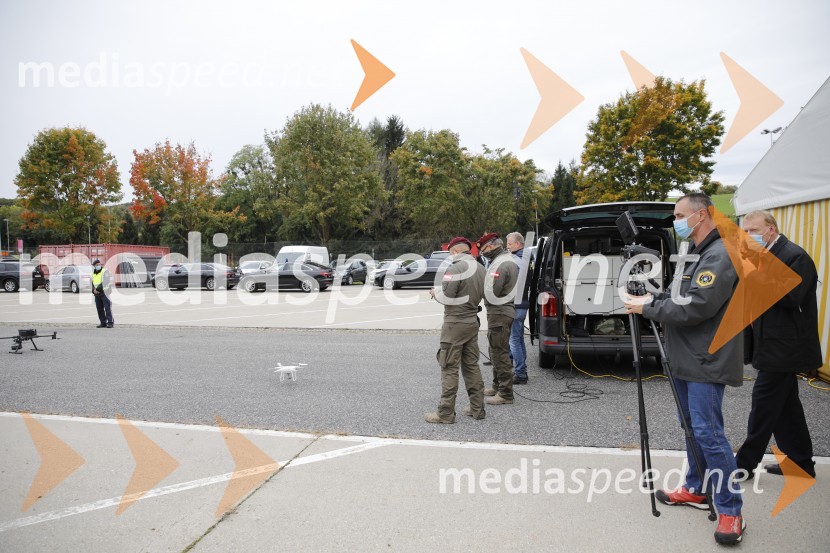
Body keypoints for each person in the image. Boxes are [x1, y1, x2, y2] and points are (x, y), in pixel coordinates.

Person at [624, 193, 745, 546]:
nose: (675, 221)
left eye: (679, 214)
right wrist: (653, 299)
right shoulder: (695, 253)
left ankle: (730, 509)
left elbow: (696, 307)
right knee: (691, 427)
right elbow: (678, 297)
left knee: (708, 432)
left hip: (706, 359)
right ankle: (696, 487)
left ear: (703, 215)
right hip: (686, 356)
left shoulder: (720, 254)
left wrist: (648, 308)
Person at [734, 210, 820, 479]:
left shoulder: (794, 256)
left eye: (753, 230)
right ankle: (801, 463)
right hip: (770, 344)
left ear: (770, 229)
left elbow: (791, 295)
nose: (748, 236)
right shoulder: (764, 255)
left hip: (785, 347)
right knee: (786, 408)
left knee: (764, 404)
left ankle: (743, 465)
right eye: (745, 231)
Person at [425, 237, 486, 423]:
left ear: (454, 252)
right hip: (471, 322)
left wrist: (436, 293)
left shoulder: (455, 268)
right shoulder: (481, 269)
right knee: (471, 366)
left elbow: (448, 297)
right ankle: (478, 409)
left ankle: (445, 413)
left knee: (449, 367)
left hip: (455, 324)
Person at [476, 233, 519, 406]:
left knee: (500, 352)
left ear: (493, 246)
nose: (483, 252)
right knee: (495, 349)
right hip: (500, 312)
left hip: (500, 312)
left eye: (485, 249)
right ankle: (497, 386)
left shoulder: (501, 263)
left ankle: (506, 393)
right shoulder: (503, 259)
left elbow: (492, 291)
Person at [506, 232, 530, 384]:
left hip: (516, 303)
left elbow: (515, 282)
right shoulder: (527, 258)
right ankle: (521, 369)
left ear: (518, 244)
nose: (507, 247)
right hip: (523, 303)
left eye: (509, 244)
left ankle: (521, 373)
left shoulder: (517, 260)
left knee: (513, 339)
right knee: (519, 338)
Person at [91, 259, 114, 328]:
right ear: (94, 266)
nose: (98, 266)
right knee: (99, 309)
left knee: (108, 309)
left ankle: (110, 322)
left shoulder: (105, 272)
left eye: (99, 264)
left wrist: (97, 289)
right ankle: (103, 322)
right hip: (97, 294)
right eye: (96, 265)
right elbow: (92, 283)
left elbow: (105, 281)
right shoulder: (93, 274)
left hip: (105, 293)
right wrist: (93, 290)